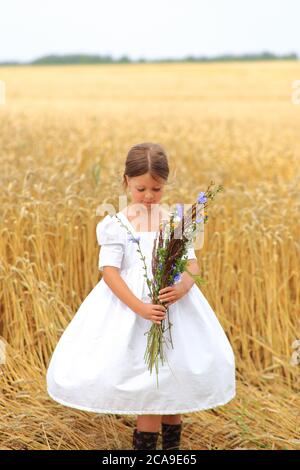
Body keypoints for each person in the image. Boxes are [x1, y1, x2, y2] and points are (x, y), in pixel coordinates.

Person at [46, 142, 236, 451]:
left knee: (174, 381)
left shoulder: (175, 221)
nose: (148, 196)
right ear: (126, 182)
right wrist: (140, 307)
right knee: (149, 386)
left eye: (156, 189)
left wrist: (183, 286)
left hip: (175, 310)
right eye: (141, 188)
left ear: (166, 185)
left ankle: (171, 450)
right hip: (131, 310)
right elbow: (109, 272)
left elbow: (191, 263)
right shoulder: (115, 224)